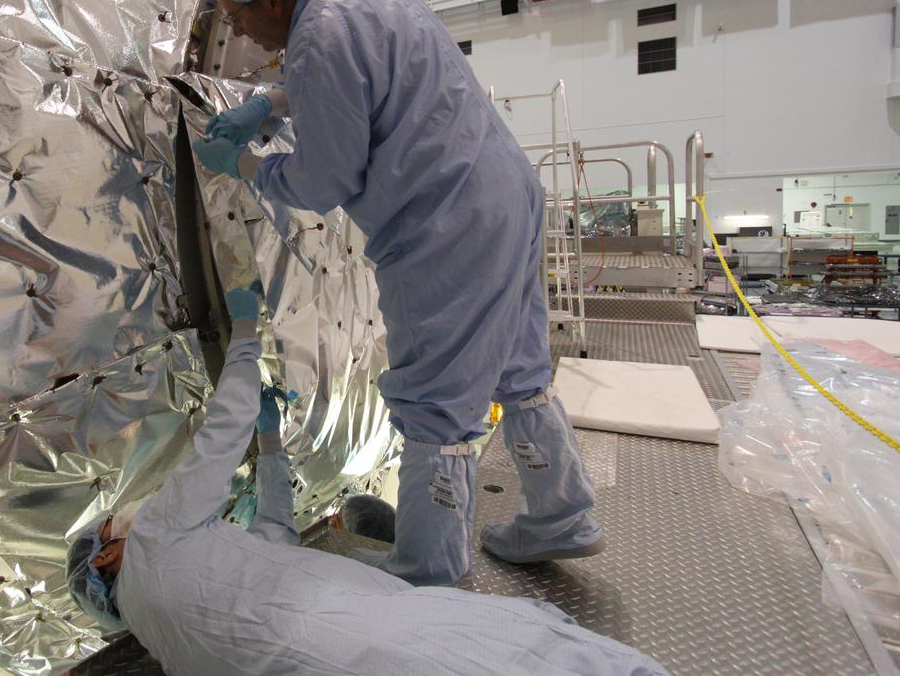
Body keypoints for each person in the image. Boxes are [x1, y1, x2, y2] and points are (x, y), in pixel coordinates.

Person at [191, 0, 604, 585]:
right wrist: (271, 99)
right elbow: (366, 75)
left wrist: (244, 163)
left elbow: (325, 180)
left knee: (434, 405)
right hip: (507, 192)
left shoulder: (317, 38)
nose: (238, 33)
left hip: (447, 226)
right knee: (521, 367)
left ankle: (428, 573)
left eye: (238, 17)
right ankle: (562, 513)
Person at [65, 287, 666, 676]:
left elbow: (274, 531)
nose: (129, 518)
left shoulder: (167, 643)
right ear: (107, 554)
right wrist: (244, 340)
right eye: (116, 523)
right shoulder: (156, 541)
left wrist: (272, 443)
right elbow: (221, 433)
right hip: (390, 644)